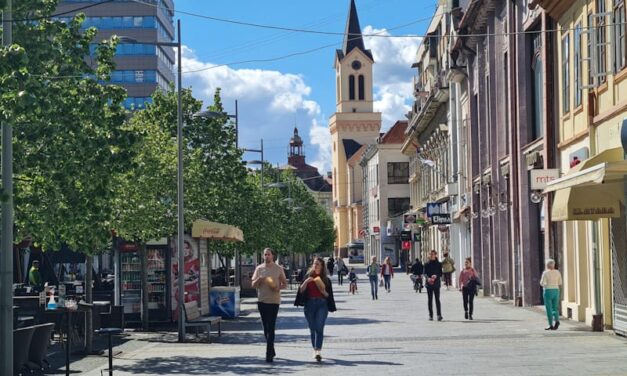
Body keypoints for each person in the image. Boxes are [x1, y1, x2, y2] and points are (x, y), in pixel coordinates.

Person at [295, 257, 336, 362]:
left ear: (322, 266)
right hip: (309, 304)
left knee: (319, 327)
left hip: (322, 304)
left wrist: (323, 291)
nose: (315, 266)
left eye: (318, 264)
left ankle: (318, 350)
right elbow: (301, 290)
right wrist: (306, 282)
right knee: (312, 328)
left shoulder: (326, 280)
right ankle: (314, 349)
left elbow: (328, 296)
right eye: (314, 264)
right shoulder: (308, 276)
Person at [251, 248, 288, 362]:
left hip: (274, 301)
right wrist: (259, 279)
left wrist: (278, 287)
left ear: (273, 256)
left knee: (271, 327)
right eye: (265, 255)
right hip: (262, 301)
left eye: (268, 254)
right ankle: (271, 348)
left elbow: (285, 284)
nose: (266, 256)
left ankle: (268, 354)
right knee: (265, 329)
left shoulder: (278, 269)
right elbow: (253, 284)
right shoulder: (259, 268)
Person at [540, 259, 562, 330]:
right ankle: (557, 320)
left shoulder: (545, 273)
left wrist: (545, 285)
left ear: (547, 265)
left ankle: (550, 324)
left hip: (548, 291)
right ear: (554, 265)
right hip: (556, 290)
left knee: (548, 308)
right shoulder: (558, 272)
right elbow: (560, 283)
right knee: (555, 307)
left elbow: (542, 283)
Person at [424, 250, 443, 321]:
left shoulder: (439, 264)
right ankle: (430, 315)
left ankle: (439, 315)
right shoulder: (426, 264)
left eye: (433, 254)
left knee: (437, 299)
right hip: (429, 284)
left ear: (435, 255)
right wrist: (428, 278)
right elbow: (424, 273)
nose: (432, 255)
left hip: (436, 284)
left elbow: (441, 273)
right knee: (430, 300)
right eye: (431, 254)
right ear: (429, 255)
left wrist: (436, 276)